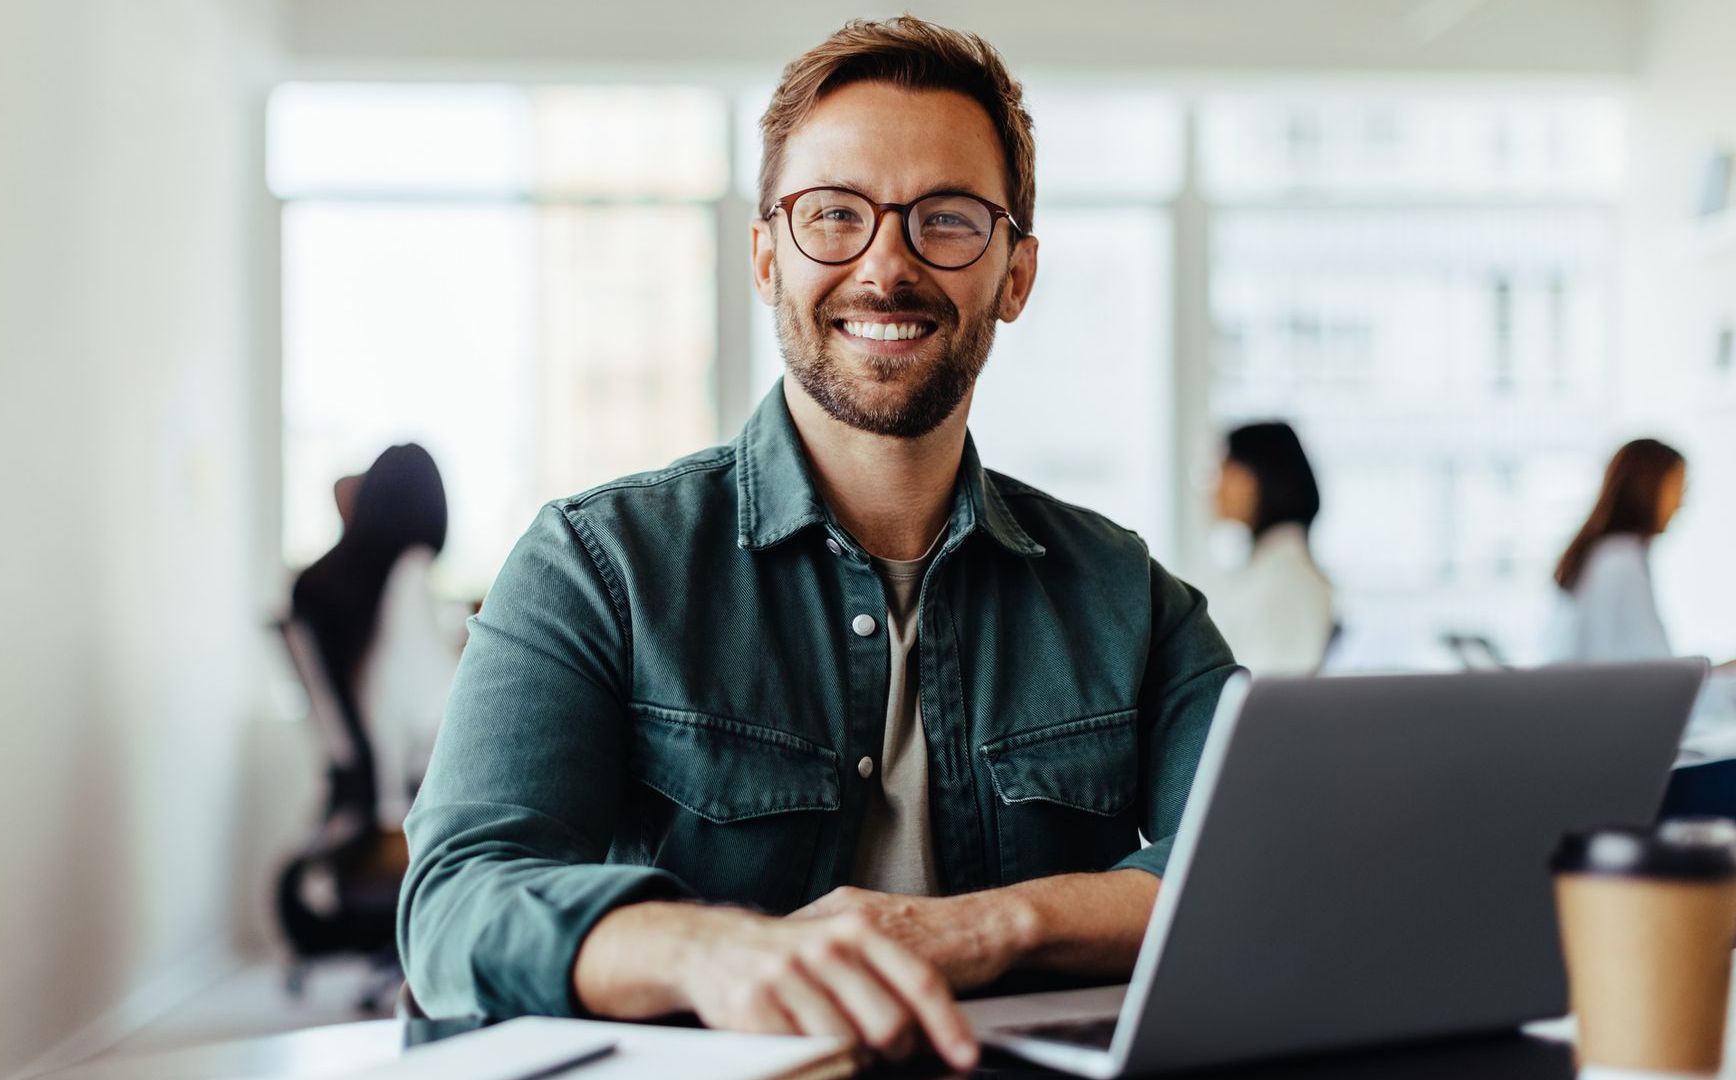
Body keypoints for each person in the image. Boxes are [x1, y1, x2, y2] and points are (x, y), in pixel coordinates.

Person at [398, 18, 1237, 1070]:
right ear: (765, 257)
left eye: (947, 219)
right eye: (834, 214)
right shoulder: (597, 566)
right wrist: (707, 949)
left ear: (1015, 275)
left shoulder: (1130, 599)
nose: (886, 266)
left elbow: (1260, 870)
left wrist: (984, 926)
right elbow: (456, 904)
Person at [1546, 437, 1736, 704]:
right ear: (1647, 487)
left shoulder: (1606, 556)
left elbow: (1653, 672)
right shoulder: (1621, 566)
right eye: (1678, 487)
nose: (1681, 502)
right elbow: (1660, 690)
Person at [292, 442, 461, 828]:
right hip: (405, 808)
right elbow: (433, 713)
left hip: (352, 805)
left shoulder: (325, 586)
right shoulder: (408, 575)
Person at [1205, 421, 1334, 675]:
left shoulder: (1287, 579)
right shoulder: (1270, 566)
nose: (1214, 486)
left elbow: (1265, 694)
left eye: (1225, 469)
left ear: (1258, 477)